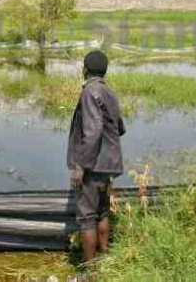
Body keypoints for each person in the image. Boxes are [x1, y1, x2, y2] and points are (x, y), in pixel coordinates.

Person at [67, 50, 126, 263]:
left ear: (85, 69)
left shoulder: (89, 91)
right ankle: (105, 261)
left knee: (86, 218)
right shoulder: (109, 92)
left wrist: (81, 166)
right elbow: (119, 128)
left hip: (93, 167)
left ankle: (90, 271)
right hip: (108, 165)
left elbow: (92, 131)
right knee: (101, 213)